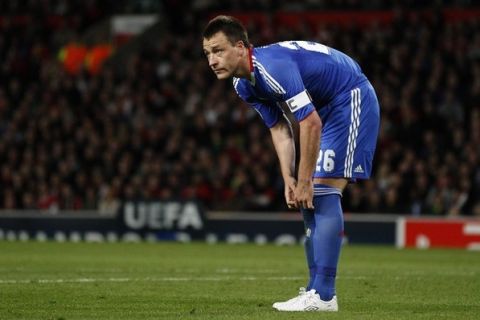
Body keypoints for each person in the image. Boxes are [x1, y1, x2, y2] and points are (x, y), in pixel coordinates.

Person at [202, 15, 380, 312]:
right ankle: (315, 289)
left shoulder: (270, 68)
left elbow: (309, 123)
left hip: (350, 96)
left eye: (218, 50)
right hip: (328, 105)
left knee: (321, 193)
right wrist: (289, 178)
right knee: (306, 200)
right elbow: (280, 128)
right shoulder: (243, 85)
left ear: (240, 46)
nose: (212, 60)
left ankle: (324, 295)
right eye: (207, 53)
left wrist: (306, 179)